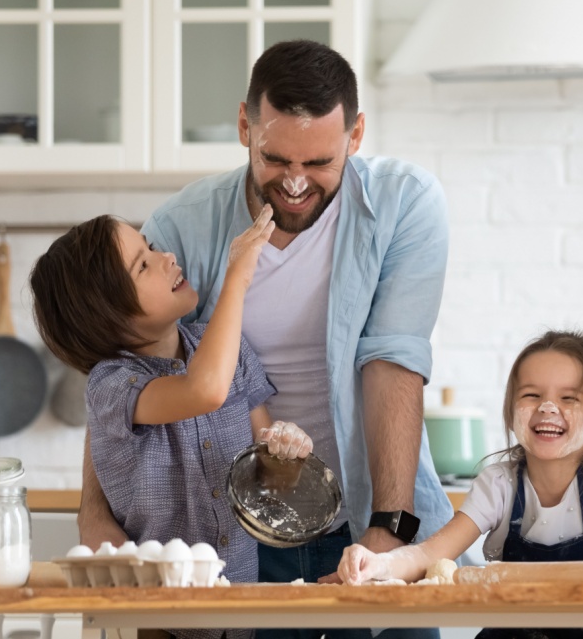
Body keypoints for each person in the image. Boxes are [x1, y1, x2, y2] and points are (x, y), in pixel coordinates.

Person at [76, 39, 453, 639]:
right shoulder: (181, 228)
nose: (297, 183)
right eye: (277, 159)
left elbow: (393, 361)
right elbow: (121, 375)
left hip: (374, 520)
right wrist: (97, 521)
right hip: (238, 538)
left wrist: (388, 528)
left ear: (355, 137)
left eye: (320, 162)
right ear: (246, 126)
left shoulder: (405, 203)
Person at [30, 205, 314, 639]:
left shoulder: (226, 349)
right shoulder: (112, 388)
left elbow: (269, 481)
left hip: (243, 620)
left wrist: (286, 452)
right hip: (164, 625)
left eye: (152, 247)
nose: (167, 259)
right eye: (143, 265)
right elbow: (204, 391)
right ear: (107, 313)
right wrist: (238, 275)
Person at [338, 330, 583, 639]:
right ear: (509, 411)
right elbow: (429, 555)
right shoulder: (500, 483)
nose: (547, 407)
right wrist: (378, 565)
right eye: (532, 395)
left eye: (569, 398)